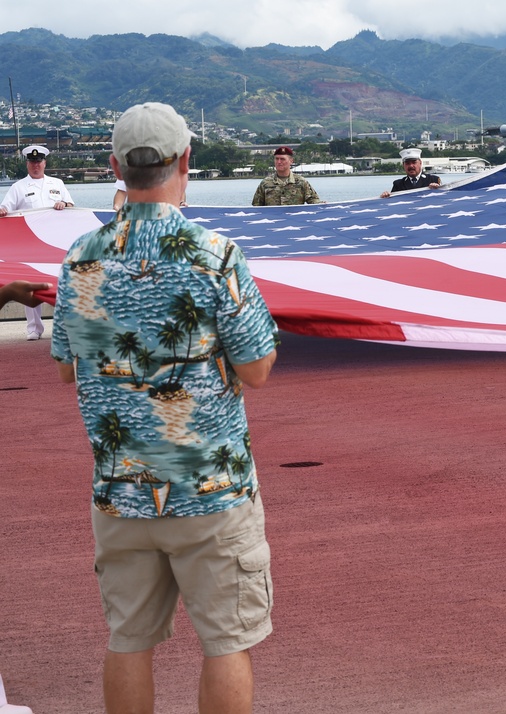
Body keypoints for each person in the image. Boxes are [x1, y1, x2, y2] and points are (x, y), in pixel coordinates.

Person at [51, 101, 279, 714]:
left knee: (128, 642)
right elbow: (257, 369)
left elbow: (70, 360)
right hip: (211, 492)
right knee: (226, 643)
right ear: (186, 160)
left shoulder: (79, 259)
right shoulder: (215, 254)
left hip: (120, 492)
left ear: (114, 166)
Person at [0, 145, 74, 341]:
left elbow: (71, 205)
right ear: (27, 164)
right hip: (31, 244)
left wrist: (64, 204)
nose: (36, 165)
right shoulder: (19, 187)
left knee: (61, 281)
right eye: (32, 162)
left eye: (39, 162)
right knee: (31, 283)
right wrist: (3, 211)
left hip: (56, 240)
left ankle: (65, 326)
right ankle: (34, 328)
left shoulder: (57, 183)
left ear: (44, 163)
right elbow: (6, 207)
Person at [252, 145, 322, 205]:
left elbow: (314, 201)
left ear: (291, 161)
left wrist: (322, 205)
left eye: (282, 159)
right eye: (277, 159)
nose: (279, 162)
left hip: (294, 219)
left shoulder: (301, 182)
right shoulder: (265, 183)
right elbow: (256, 207)